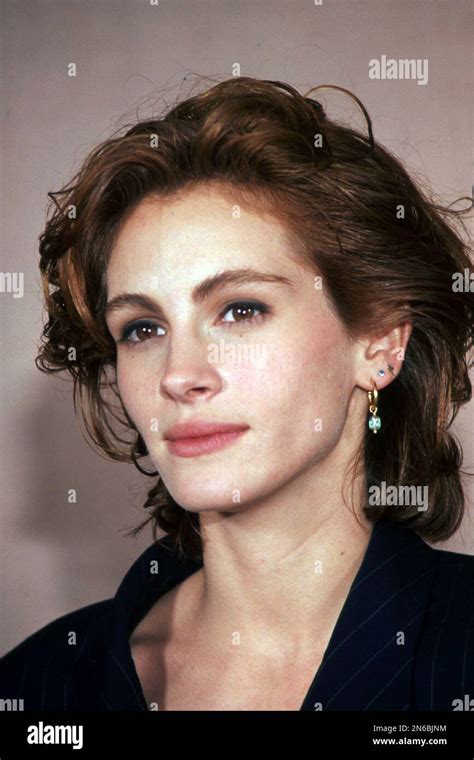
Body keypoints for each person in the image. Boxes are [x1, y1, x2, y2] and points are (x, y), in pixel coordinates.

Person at [1, 76, 473, 712]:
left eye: (241, 309)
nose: (178, 373)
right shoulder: (36, 688)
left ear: (380, 344)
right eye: (143, 328)